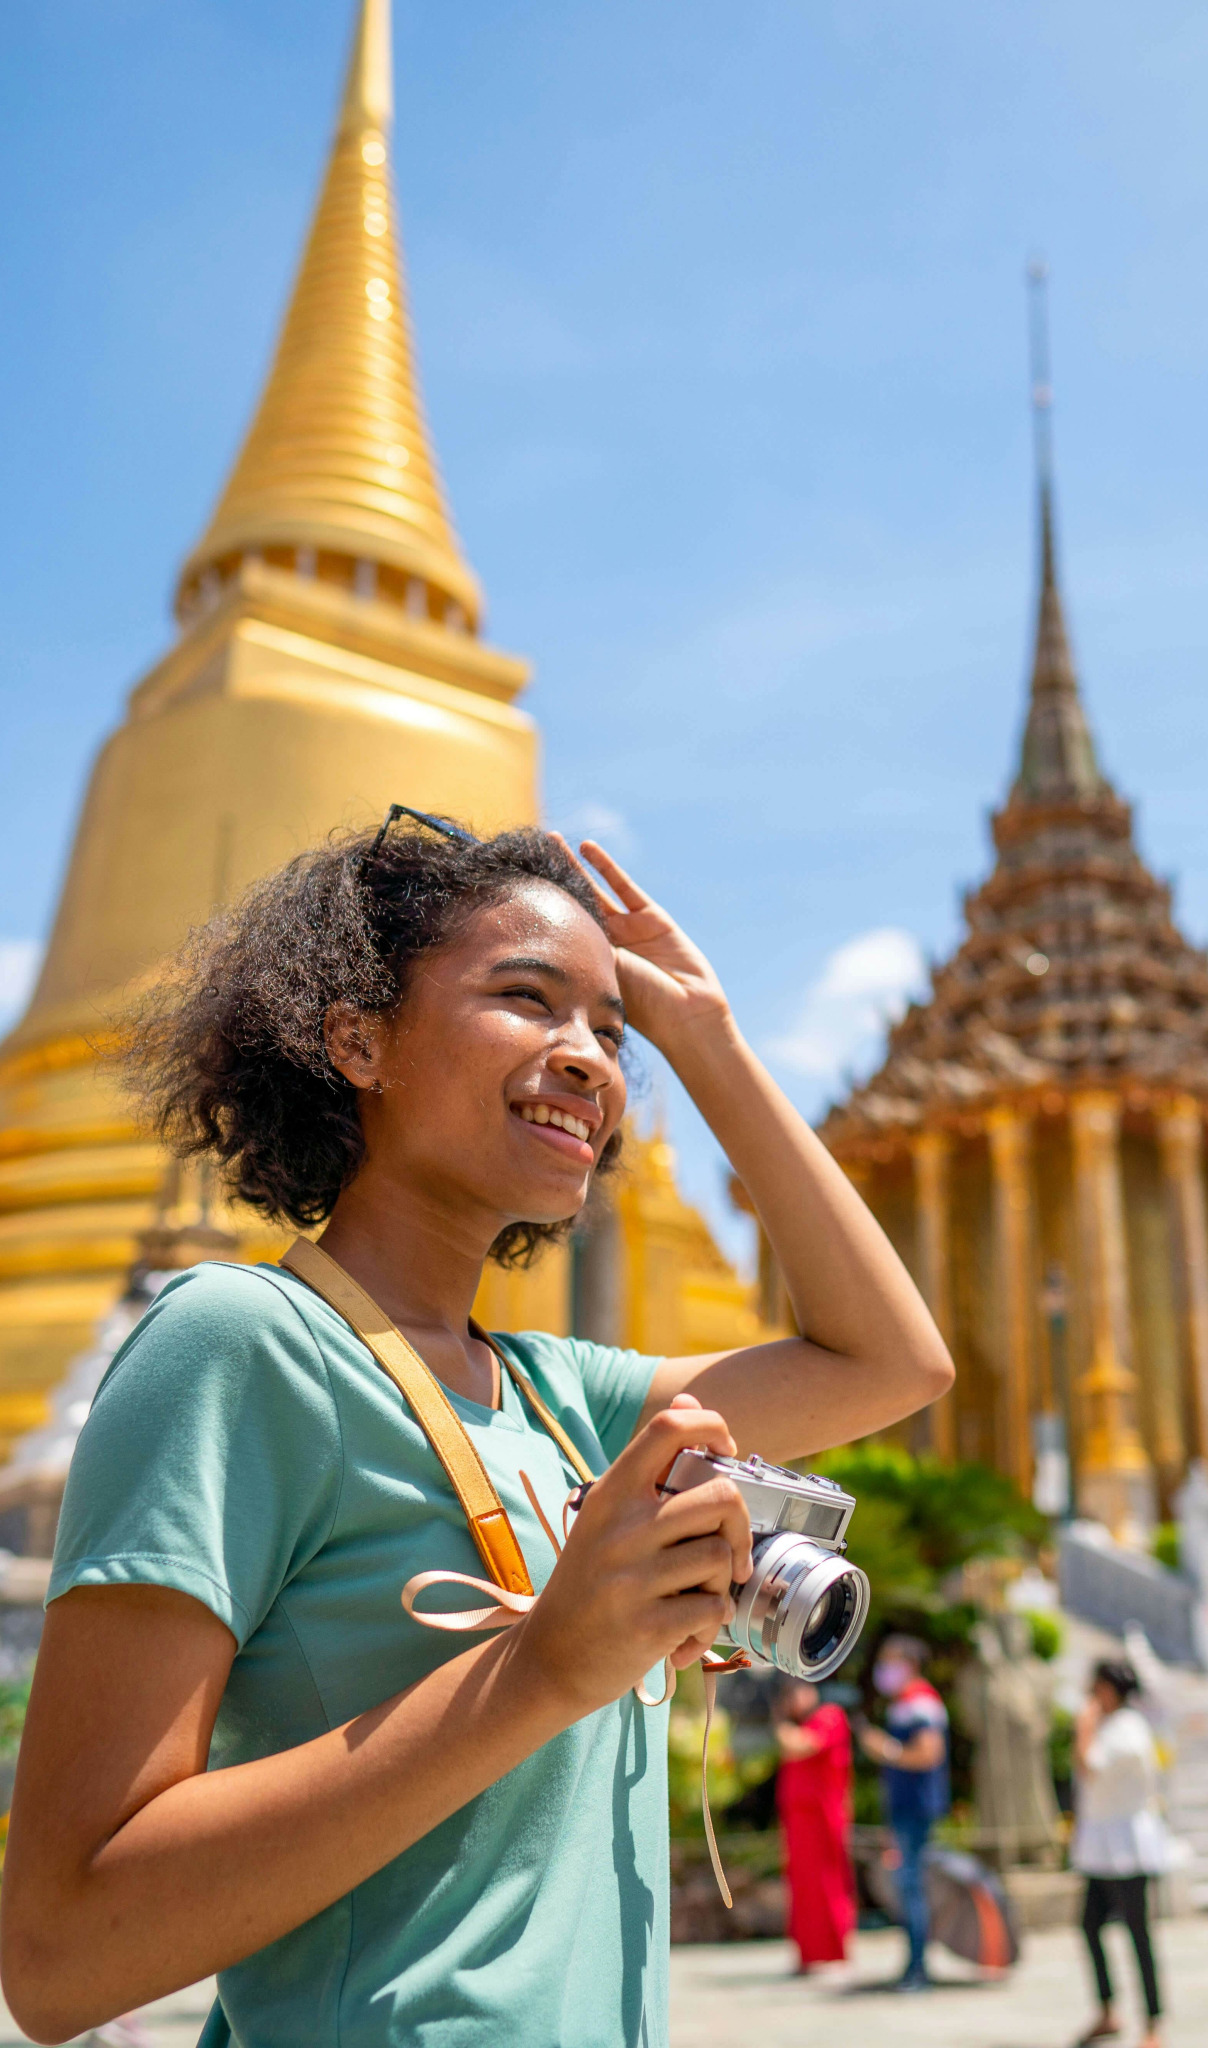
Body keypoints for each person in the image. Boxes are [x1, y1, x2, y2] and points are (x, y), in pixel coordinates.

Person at [0, 821, 953, 2047]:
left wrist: (701, 1036)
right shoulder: (240, 1344)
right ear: (358, 1036)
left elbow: (892, 1357)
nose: (589, 1061)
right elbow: (58, 1959)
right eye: (526, 999)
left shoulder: (565, 1398)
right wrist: (541, 1668)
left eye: (609, 1034)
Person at [1071, 1657, 1168, 2048]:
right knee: (1090, 1925)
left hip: (1128, 1845)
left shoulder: (1128, 1731)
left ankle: (1153, 2024)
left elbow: (1088, 1766)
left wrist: (1083, 1725)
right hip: (1100, 1846)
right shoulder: (1113, 1726)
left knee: (1138, 1935)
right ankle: (1107, 2009)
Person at [857, 1634, 950, 1991]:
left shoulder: (921, 1702)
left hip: (917, 1808)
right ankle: (914, 1965)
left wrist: (887, 1750)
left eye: (890, 1661)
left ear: (908, 1664)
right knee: (908, 1886)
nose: (884, 1669)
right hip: (904, 1808)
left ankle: (918, 1968)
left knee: (912, 1887)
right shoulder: (904, 1703)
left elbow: (929, 1753)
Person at [774, 1679, 856, 1972]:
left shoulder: (829, 1716)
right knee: (802, 1889)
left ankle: (832, 1951)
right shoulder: (801, 1724)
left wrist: (780, 1725)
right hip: (799, 1823)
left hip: (822, 1820)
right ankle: (807, 1953)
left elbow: (802, 1746)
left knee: (827, 1884)